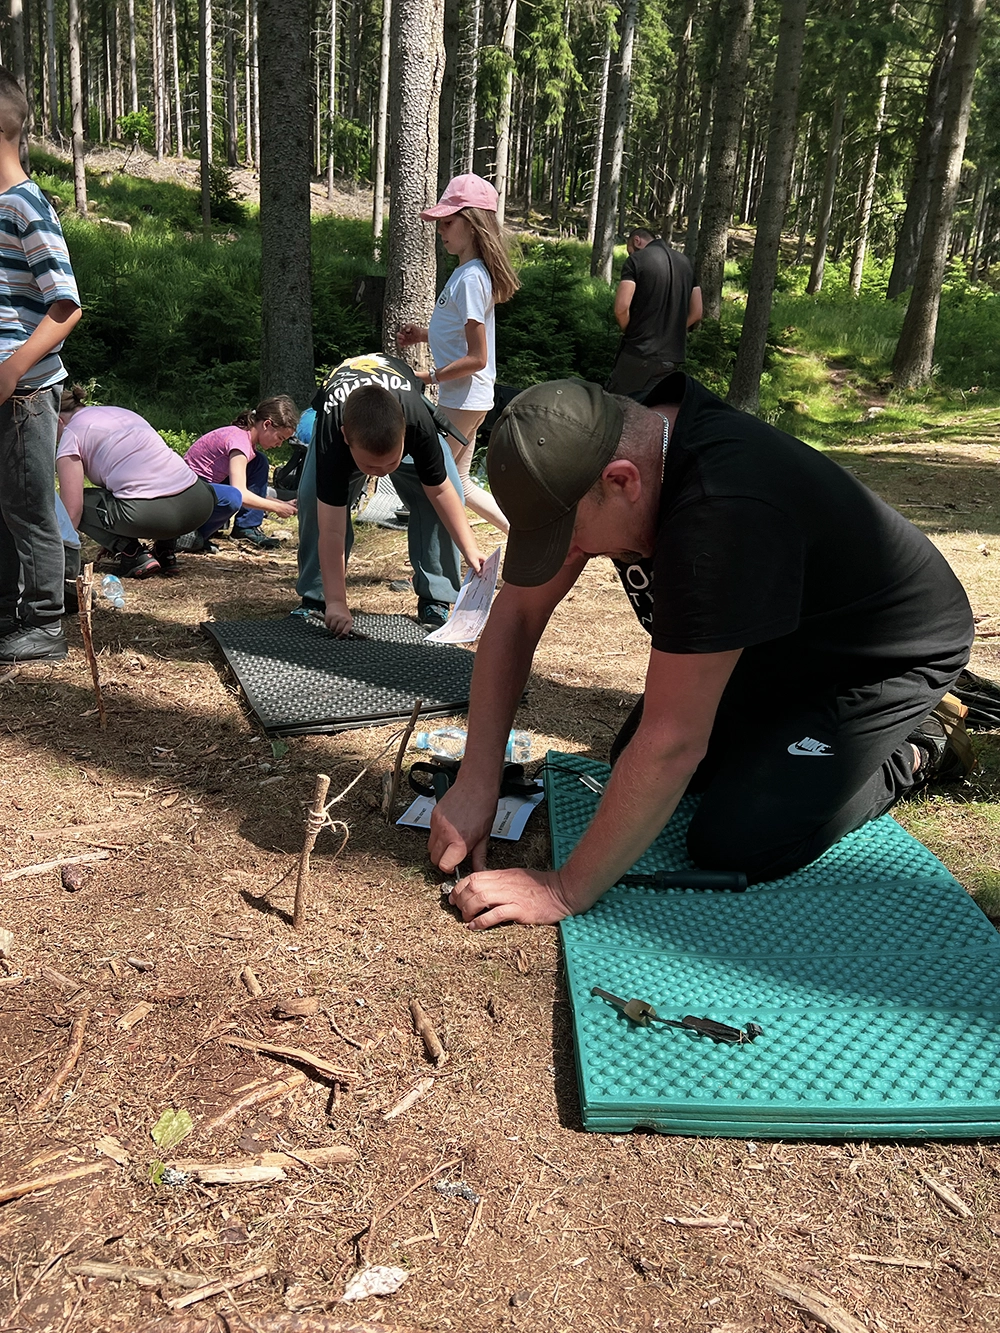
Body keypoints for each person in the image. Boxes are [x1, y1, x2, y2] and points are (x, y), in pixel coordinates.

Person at [429, 375, 975, 930]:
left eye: (570, 536)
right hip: (775, 637)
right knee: (635, 770)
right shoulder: (608, 437)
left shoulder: (719, 514)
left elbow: (674, 743)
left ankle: (919, 743)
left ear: (622, 481)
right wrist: (478, 778)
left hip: (877, 657)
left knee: (738, 838)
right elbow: (519, 614)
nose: (569, 554)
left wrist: (563, 890)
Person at [294, 352, 485, 634]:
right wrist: (337, 601)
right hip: (343, 424)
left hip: (401, 409)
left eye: (390, 463)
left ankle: (436, 597)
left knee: (443, 498)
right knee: (314, 502)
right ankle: (318, 597)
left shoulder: (418, 424)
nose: (381, 473)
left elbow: (442, 492)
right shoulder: (333, 437)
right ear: (346, 437)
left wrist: (470, 548)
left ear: (405, 434)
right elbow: (332, 530)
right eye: (371, 466)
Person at [0, 66, 81, 663]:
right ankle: (8, 612)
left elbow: (66, 305)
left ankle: (47, 622)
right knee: (4, 506)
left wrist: (12, 369)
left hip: (25, 393)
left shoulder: (26, 206)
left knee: (30, 507)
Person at [397, 173, 519, 535]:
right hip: (470, 398)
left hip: (463, 399)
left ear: (473, 223)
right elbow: (459, 337)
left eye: (448, 222)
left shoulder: (470, 278)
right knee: (459, 483)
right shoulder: (468, 273)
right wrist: (423, 335)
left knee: (432, 483)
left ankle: (443, 561)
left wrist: (428, 377)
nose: (440, 230)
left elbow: (478, 357)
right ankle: (523, 538)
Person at [55, 387, 216, 578]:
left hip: (154, 516)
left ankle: (132, 553)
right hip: (199, 503)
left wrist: (56, 555)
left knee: (70, 503)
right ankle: (165, 550)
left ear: (58, 421)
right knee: (156, 483)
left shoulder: (71, 434)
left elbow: (72, 512)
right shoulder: (119, 412)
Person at [182, 397, 299, 551]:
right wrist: (276, 508)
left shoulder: (245, 440)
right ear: (267, 424)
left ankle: (246, 528)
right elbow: (240, 494)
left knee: (259, 462)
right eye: (280, 438)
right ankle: (192, 536)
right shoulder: (239, 443)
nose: (279, 445)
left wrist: (281, 504)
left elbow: (248, 491)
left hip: (205, 487)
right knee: (233, 498)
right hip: (189, 492)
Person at [607, 228, 702, 399]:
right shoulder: (685, 263)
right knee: (651, 409)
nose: (630, 254)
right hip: (671, 358)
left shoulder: (636, 260)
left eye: (630, 250)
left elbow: (621, 308)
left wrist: (630, 330)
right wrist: (673, 330)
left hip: (638, 352)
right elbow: (697, 312)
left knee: (616, 406)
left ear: (637, 241)